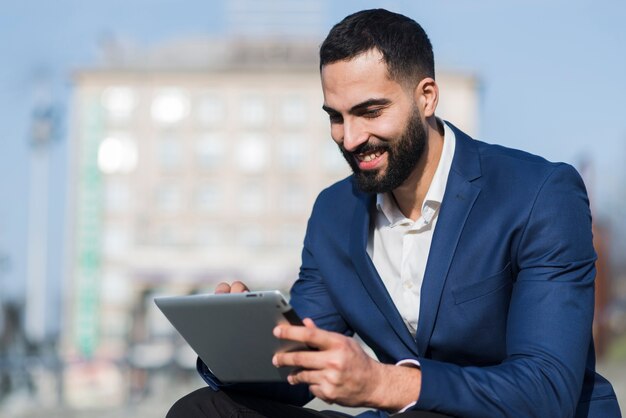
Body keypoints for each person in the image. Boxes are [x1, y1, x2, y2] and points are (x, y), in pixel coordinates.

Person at [167, 9, 621, 418]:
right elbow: (302, 373)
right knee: (205, 411)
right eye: (337, 117)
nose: (349, 138)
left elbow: (545, 390)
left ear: (426, 97)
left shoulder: (539, 193)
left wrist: (382, 382)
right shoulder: (334, 212)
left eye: (370, 112)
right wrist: (242, 346)